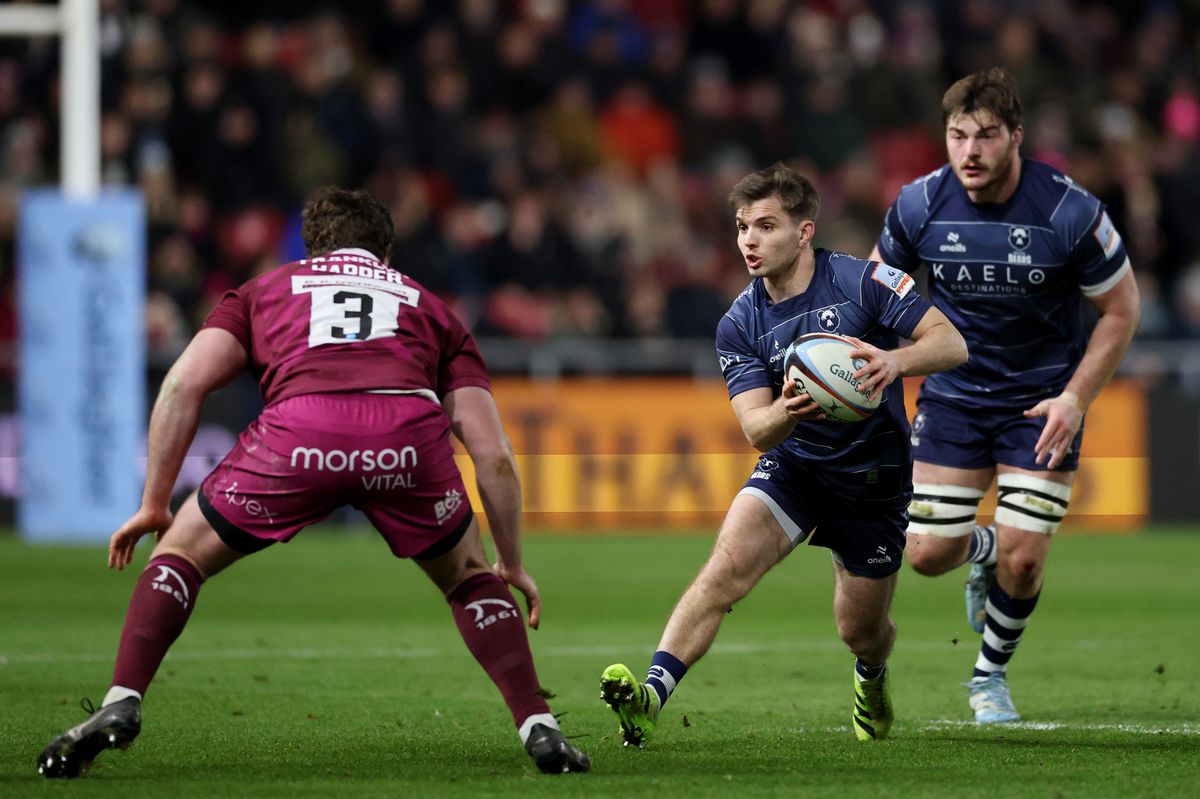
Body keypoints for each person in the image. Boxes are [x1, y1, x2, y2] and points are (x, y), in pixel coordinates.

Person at [36, 187, 590, 778]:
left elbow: (181, 387)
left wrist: (153, 503)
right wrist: (512, 562)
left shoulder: (263, 291)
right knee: (470, 579)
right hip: (403, 440)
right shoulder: (432, 307)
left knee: (179, 554)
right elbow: (493, 455)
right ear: (386, 250)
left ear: (311, 245)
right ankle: (540, 726)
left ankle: (123, 700)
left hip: (299, 435)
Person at [600, 163, 968, 746]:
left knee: (859, 632)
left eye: (766, 225)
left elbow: (951, 342)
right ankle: (650, 696)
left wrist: (893, 361)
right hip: (796, 465)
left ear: (804, 232)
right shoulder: (739, 324)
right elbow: (756, 429)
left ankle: (871, 678)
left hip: (873, 480)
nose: (749, 239)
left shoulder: (863, 282)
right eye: (743, 226)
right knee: (724, 571)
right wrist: (790, 410)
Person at [868, 67, 1140, 723]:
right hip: (956, 394)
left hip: (1042, 400)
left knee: (1025, 558)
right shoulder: (918, 204)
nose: (970, 151)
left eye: (986, 135)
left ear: (1017, 136)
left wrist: (1076, 398)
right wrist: (876, 365)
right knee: (927, 553)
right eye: (958, 134)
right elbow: (876, 294)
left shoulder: (1070, 211)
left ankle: (988, 674)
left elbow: (1122, 310)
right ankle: (979, 552)